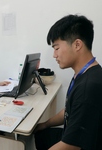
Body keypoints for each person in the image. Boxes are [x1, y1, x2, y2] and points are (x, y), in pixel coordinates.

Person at [34, 14, 102, 150]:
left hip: (80, 145)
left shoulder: (88, 87)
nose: (54, 55)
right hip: (75, 136)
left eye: (56, 48)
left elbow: (71, 146)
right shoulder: (84, 72)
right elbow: (70, 110)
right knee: (39, 132)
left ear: (77, 44)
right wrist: (45, 124)